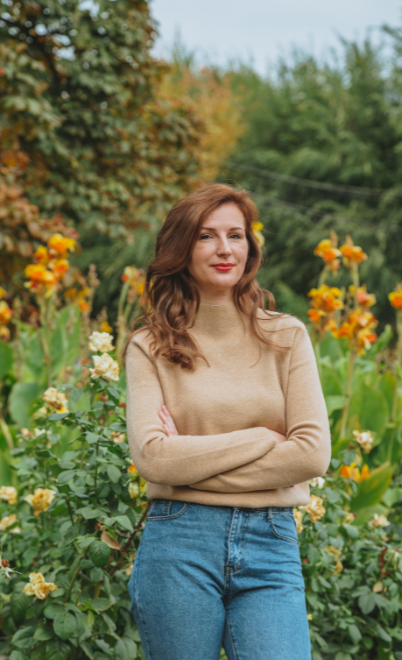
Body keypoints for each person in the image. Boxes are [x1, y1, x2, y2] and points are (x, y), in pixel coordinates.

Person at [124, 183, 331, 660]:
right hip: (179, 542)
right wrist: (264, 437)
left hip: (271, 542)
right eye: (206, 236)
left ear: (249, 248)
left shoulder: (287, 336)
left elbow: (312, 453)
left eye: (236, 235)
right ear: (181, 249)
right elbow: (154, 458)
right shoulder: (149, 346)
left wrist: (192, 456)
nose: (224, 249)